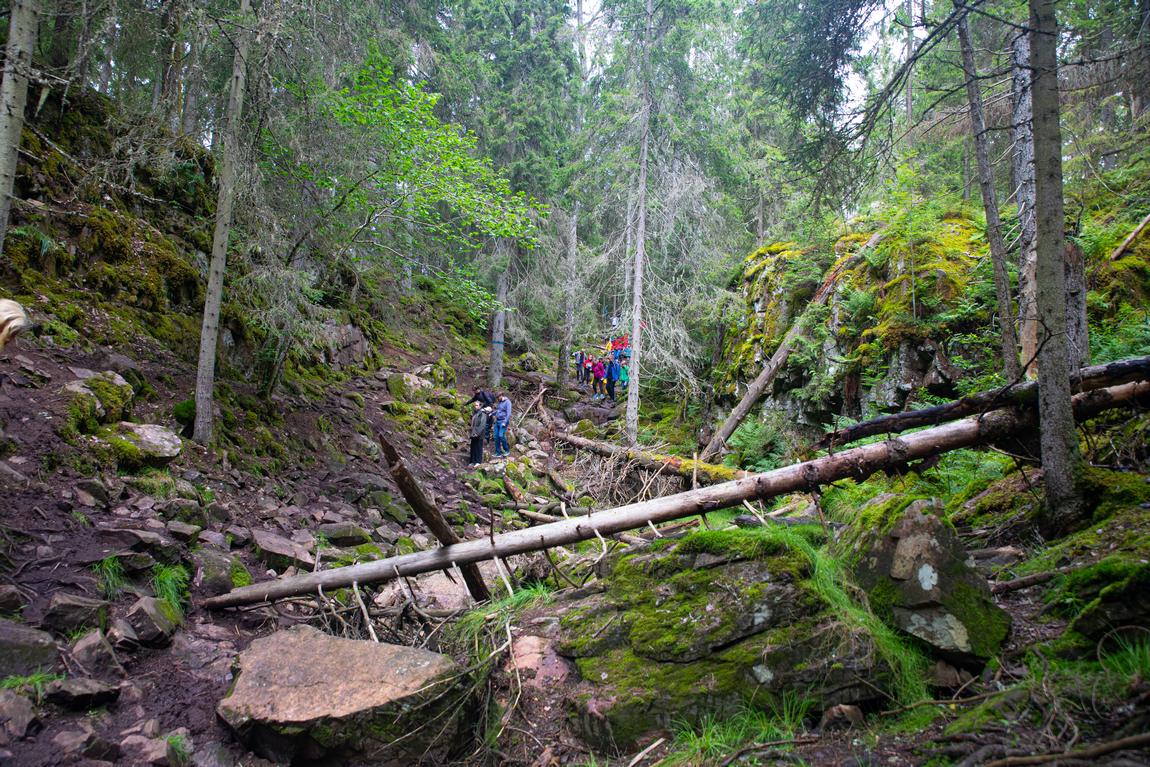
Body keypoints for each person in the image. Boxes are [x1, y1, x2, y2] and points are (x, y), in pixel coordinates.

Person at [467, 402, 488, 466]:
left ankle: (478, 462)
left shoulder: (482, 414)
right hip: (473, 433)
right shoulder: (474, 413)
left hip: (479, 434)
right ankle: (472, 461)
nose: (475, 406)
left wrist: (477, 433)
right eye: (475, 405)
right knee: (473, 447)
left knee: (478, 447)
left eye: (476, 405)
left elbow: (482, 425)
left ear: (479, 406)